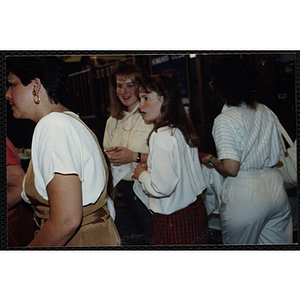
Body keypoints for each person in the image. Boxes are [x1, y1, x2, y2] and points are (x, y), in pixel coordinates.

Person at [6, 56, 121, 247]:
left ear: (35, 86)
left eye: (12, 85)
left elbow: (66, 220)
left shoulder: (54, 126)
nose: (8, 94)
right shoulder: (67, 120)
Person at [202, 56, 293, 245]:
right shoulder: (264, 110)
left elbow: (231, 168)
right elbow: (277, 157)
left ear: (221, 86)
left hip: (245, 194)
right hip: (275, 189)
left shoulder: (225, 119)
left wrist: (211, 161)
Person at [132, 75, 209, 245]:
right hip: (195, 210)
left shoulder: (161, 135)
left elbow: (162, 188)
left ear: (165, 99)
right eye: (140, 99)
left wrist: (142, 174)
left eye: (146, 98)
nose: (140, 105)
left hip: (173, 220)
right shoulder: (181, 127)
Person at [103, 60, 153, 245]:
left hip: (146, 190)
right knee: (128, 243)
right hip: (120, 192)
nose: (124, 91)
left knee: (151, 241)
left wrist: (133, 156)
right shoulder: (112, 121)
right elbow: (105, 155)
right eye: (120, 86)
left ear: (140, 87)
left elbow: (168, 159)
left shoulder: (150, 117)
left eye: (130, 86)